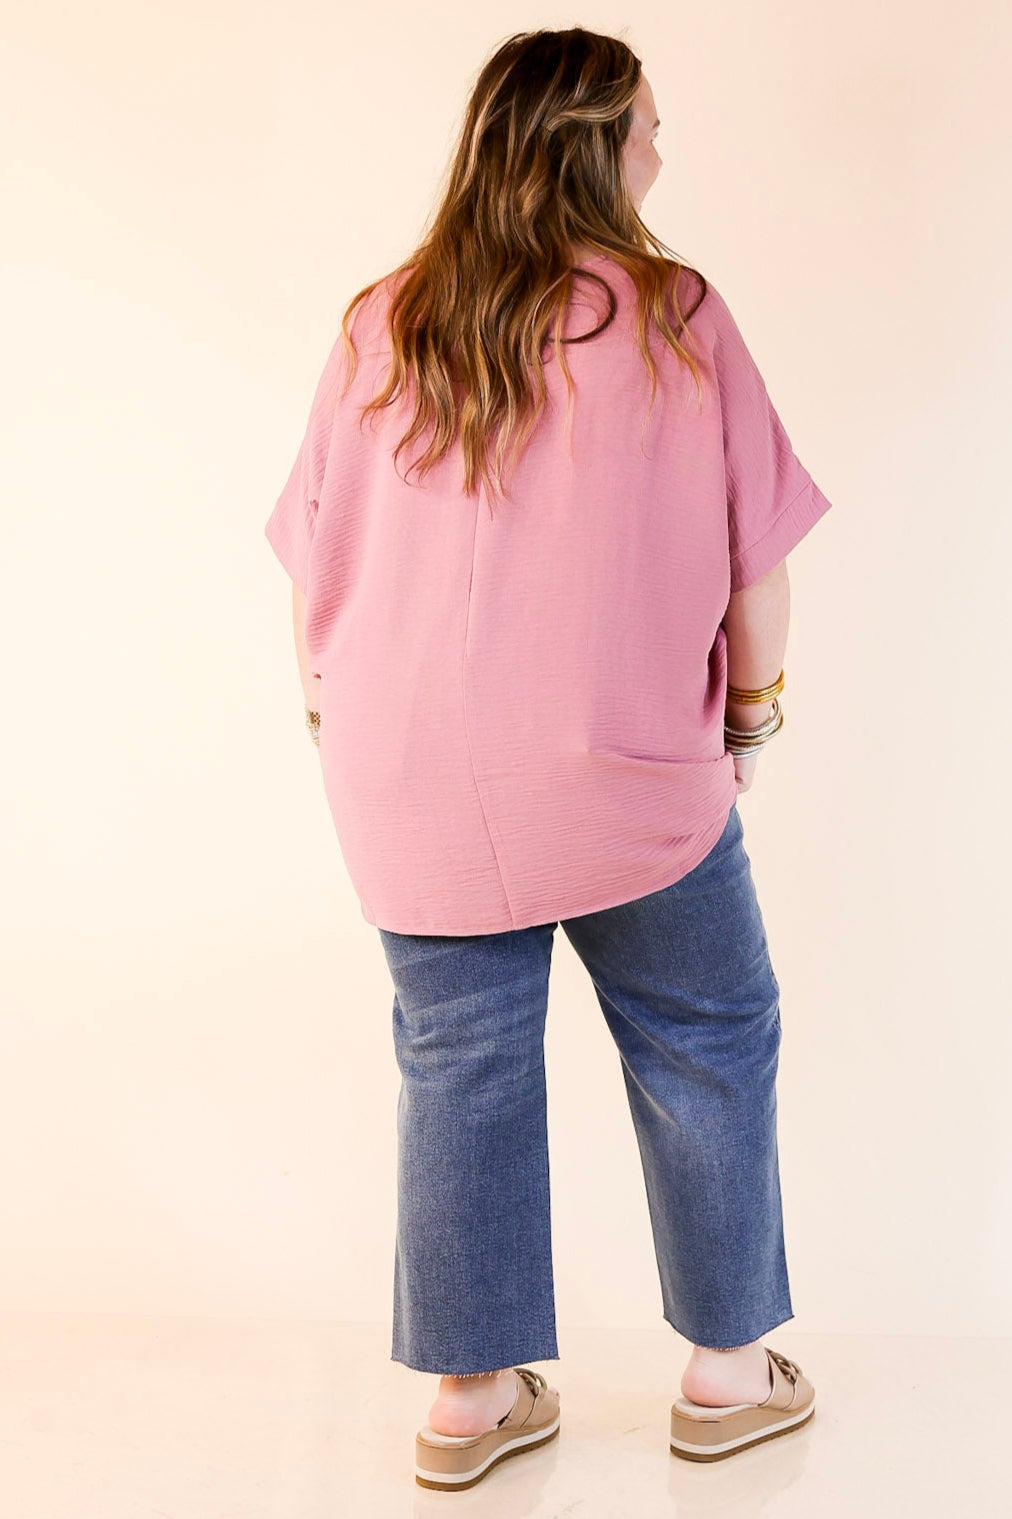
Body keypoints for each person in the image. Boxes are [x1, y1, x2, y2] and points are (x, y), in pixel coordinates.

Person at [264, 26, 831, 1488]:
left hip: (404, 771)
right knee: (708, 1032)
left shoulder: (381, 320)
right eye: (647, 126)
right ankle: (727, 1374)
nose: (662, 149)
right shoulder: (674, 314)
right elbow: (756, 561)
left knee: (460, 1063)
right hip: (625, 769)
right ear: (592, 145)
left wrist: (337, 721)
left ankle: (470, 1401)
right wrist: (752, 713)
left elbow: (314, 559)